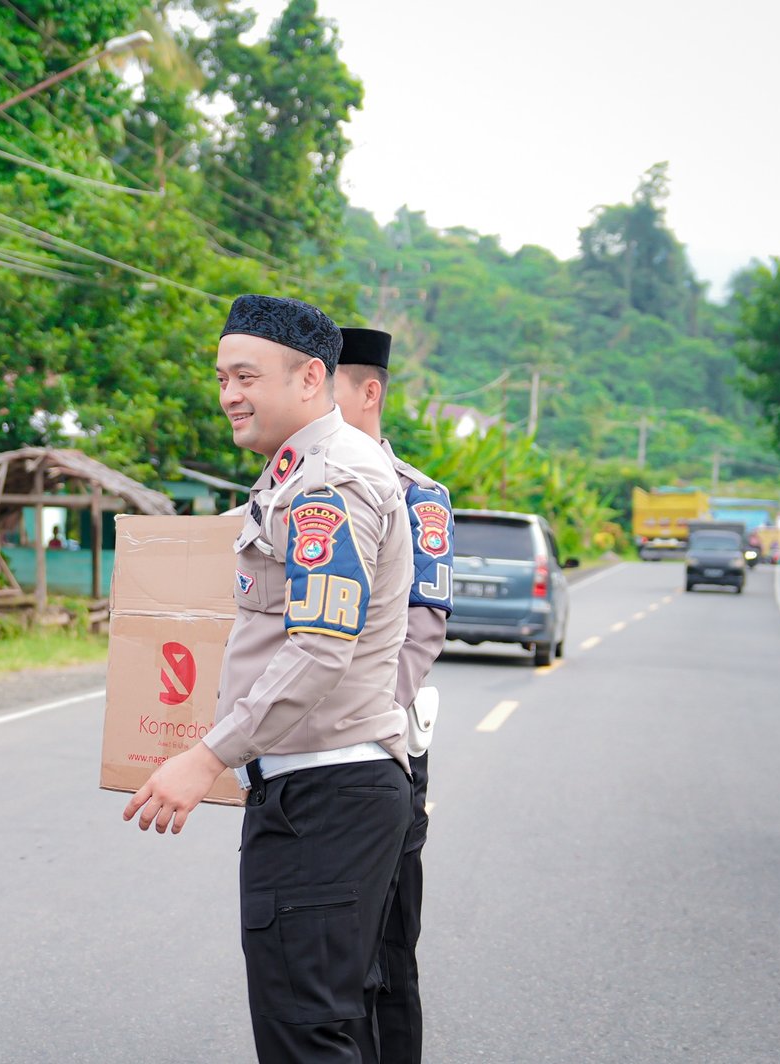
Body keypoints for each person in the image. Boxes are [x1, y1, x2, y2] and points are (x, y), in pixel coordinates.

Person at [124, 294, 414, 1063]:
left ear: (312, 377)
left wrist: (208, 753)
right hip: (314, 789)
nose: (228, 395)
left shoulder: (331, 483)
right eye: (222, 377)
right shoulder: (297, 475)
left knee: (305, 1033)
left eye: (245, 375)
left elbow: (320, 646)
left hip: (328, 794)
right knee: (321, 1025)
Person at [334, 327, 454, 1064]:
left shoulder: (417, 495)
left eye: (326, 387)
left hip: (384, 752)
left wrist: (359, 721)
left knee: (385, 953)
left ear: (368, 392)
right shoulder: (292, 486)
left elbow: (423, 629)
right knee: (323, 956)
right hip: (302, 757)